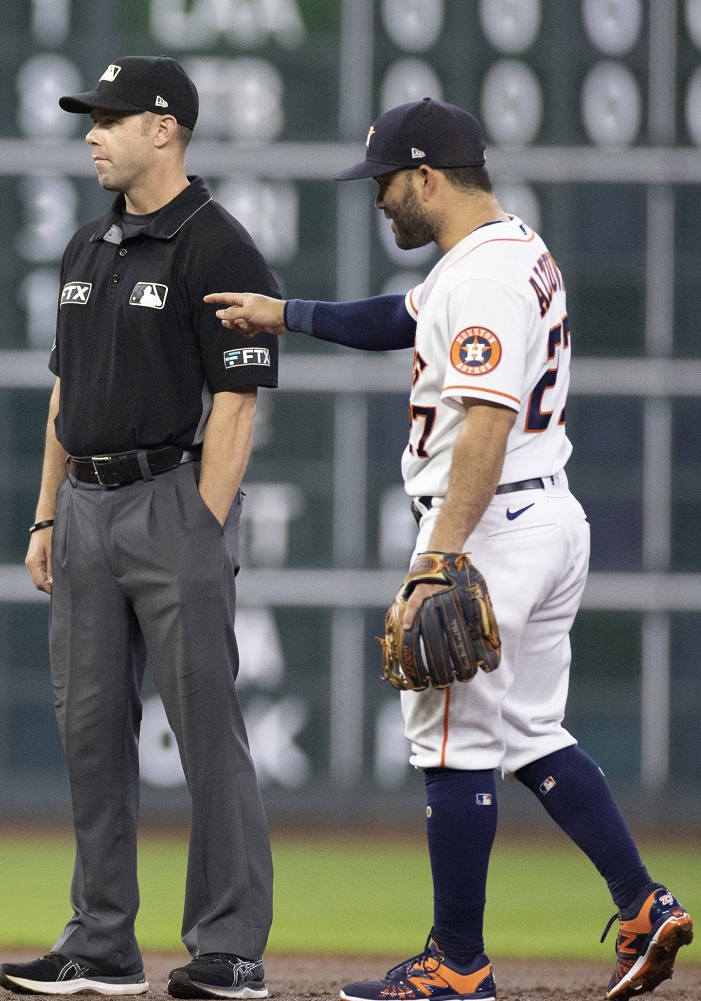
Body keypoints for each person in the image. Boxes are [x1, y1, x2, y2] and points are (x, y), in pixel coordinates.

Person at [206, 98, 693, 1001]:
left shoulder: (482, 280)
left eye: (386, 183)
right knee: (530, 732)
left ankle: (456, 963)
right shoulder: (508, 249)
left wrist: (442, 555)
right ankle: (640, 904)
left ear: (427, 176)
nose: (379, 200)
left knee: (450, 743)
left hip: (491, 521)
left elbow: (486, 422)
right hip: (548, 518)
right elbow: (406, 318)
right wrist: (290, 314)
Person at [0, 56, 278, 1001]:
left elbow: (237, 405)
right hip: (81, 507)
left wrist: (200, 526)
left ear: (165, 127)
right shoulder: (88, 245)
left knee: (207, 735)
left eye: (109, 117)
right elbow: (63, 394)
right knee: (89, 735)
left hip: (168, 498)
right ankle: (102, 943)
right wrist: (44, 512)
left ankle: (230, 947)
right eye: (91, 117)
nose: (92, 132)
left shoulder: (217, 244)